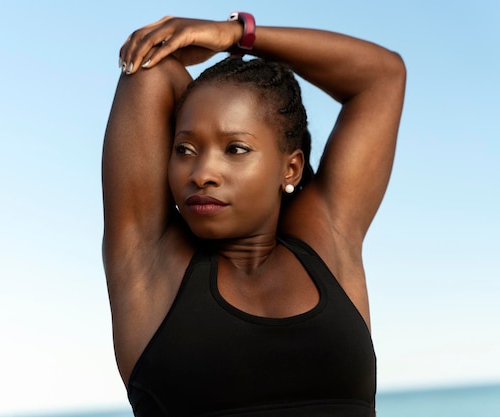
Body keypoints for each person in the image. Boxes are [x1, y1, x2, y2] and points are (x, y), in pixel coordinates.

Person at [102, 13, 405, 417]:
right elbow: (149, 71)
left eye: (236, 149)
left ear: (290, 168)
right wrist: (214, 92)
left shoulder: (325, 239)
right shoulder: (151, 263)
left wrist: (236, 34)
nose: (203, 174)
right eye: (185, 150)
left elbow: (383, 77)